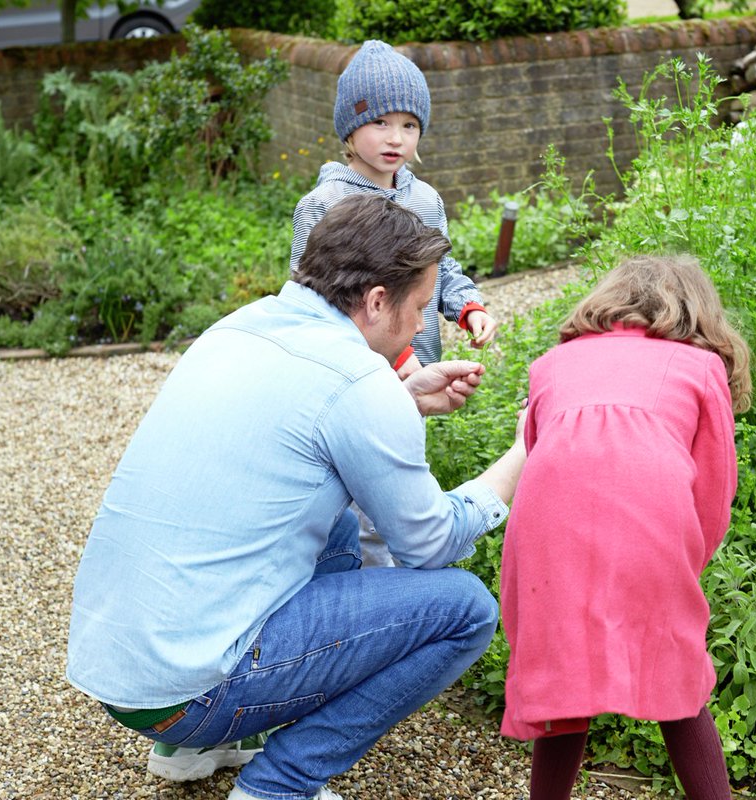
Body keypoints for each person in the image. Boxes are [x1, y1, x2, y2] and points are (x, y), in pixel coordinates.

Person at [66, 193, 528, 800]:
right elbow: (429, 544)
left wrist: (403, 397)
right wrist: (524, 452)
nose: (421, 326)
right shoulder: (358, 382)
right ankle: (281, 784)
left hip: (118, 667)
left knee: (329, 522)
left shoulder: (241, 326)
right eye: (419, 308)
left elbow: (300, 432)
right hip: (187, 693)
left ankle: (197, 749)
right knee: (466, 609)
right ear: (377, 301)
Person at [498, 254, 752, 800]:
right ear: (695, 311)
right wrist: (683, 567)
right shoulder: (700, 369)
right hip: (655, 528)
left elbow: (543, 463)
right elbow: (713, 494)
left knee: (562, 681)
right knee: (677, 677)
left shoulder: (551, 364)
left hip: (545, 539)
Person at [289, 38, 499, 568]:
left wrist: (467, 305)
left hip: (414, 363)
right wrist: (390, 355)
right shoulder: (324, 205)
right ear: (349, 129)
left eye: (409, 126)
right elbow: (309, 296)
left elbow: (443, 268)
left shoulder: (423, 199)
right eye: (380, 123)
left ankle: (404, 569)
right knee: (352, 489)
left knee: (399, 473)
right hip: (352, 373)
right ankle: (362, 578)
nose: (395, 138)